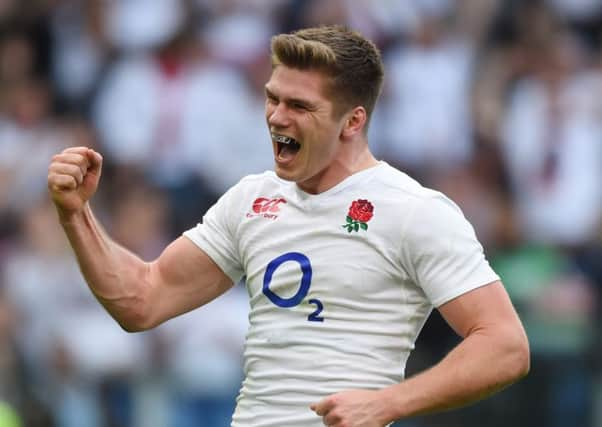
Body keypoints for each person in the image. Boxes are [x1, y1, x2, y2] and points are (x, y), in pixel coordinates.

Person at [47, 25, 529, 427]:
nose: (276, 117)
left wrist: (389, 402)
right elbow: (142, 300)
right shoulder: (251, 200)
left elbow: (505, 346)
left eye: (299, 106)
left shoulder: (414, 210)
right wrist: (76, 214)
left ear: (352, 121)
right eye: (273, 98)